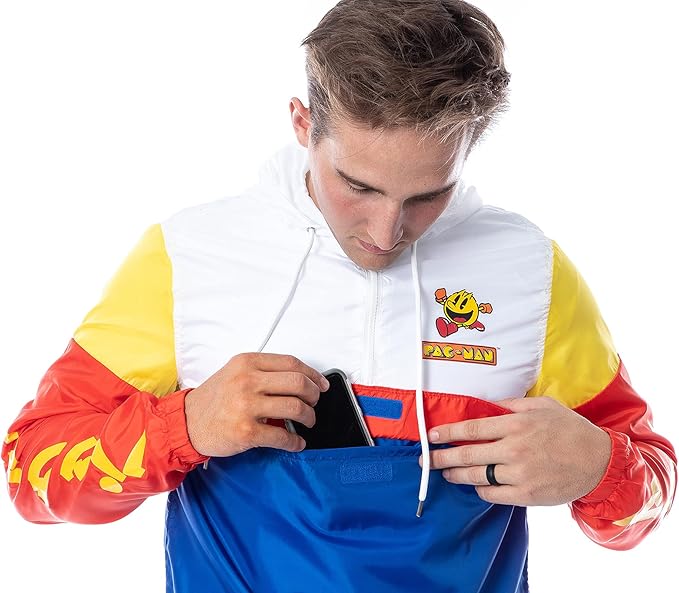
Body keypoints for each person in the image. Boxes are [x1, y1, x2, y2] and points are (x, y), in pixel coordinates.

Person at [2, 1, 676, 591]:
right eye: (358, 185)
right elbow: (30, 473)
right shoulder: (188, 256)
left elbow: (648, 492)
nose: (386, 233)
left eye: (427, 194)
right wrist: (185, 426)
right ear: (303, 124)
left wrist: (599, 466)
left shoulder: (531, 271)